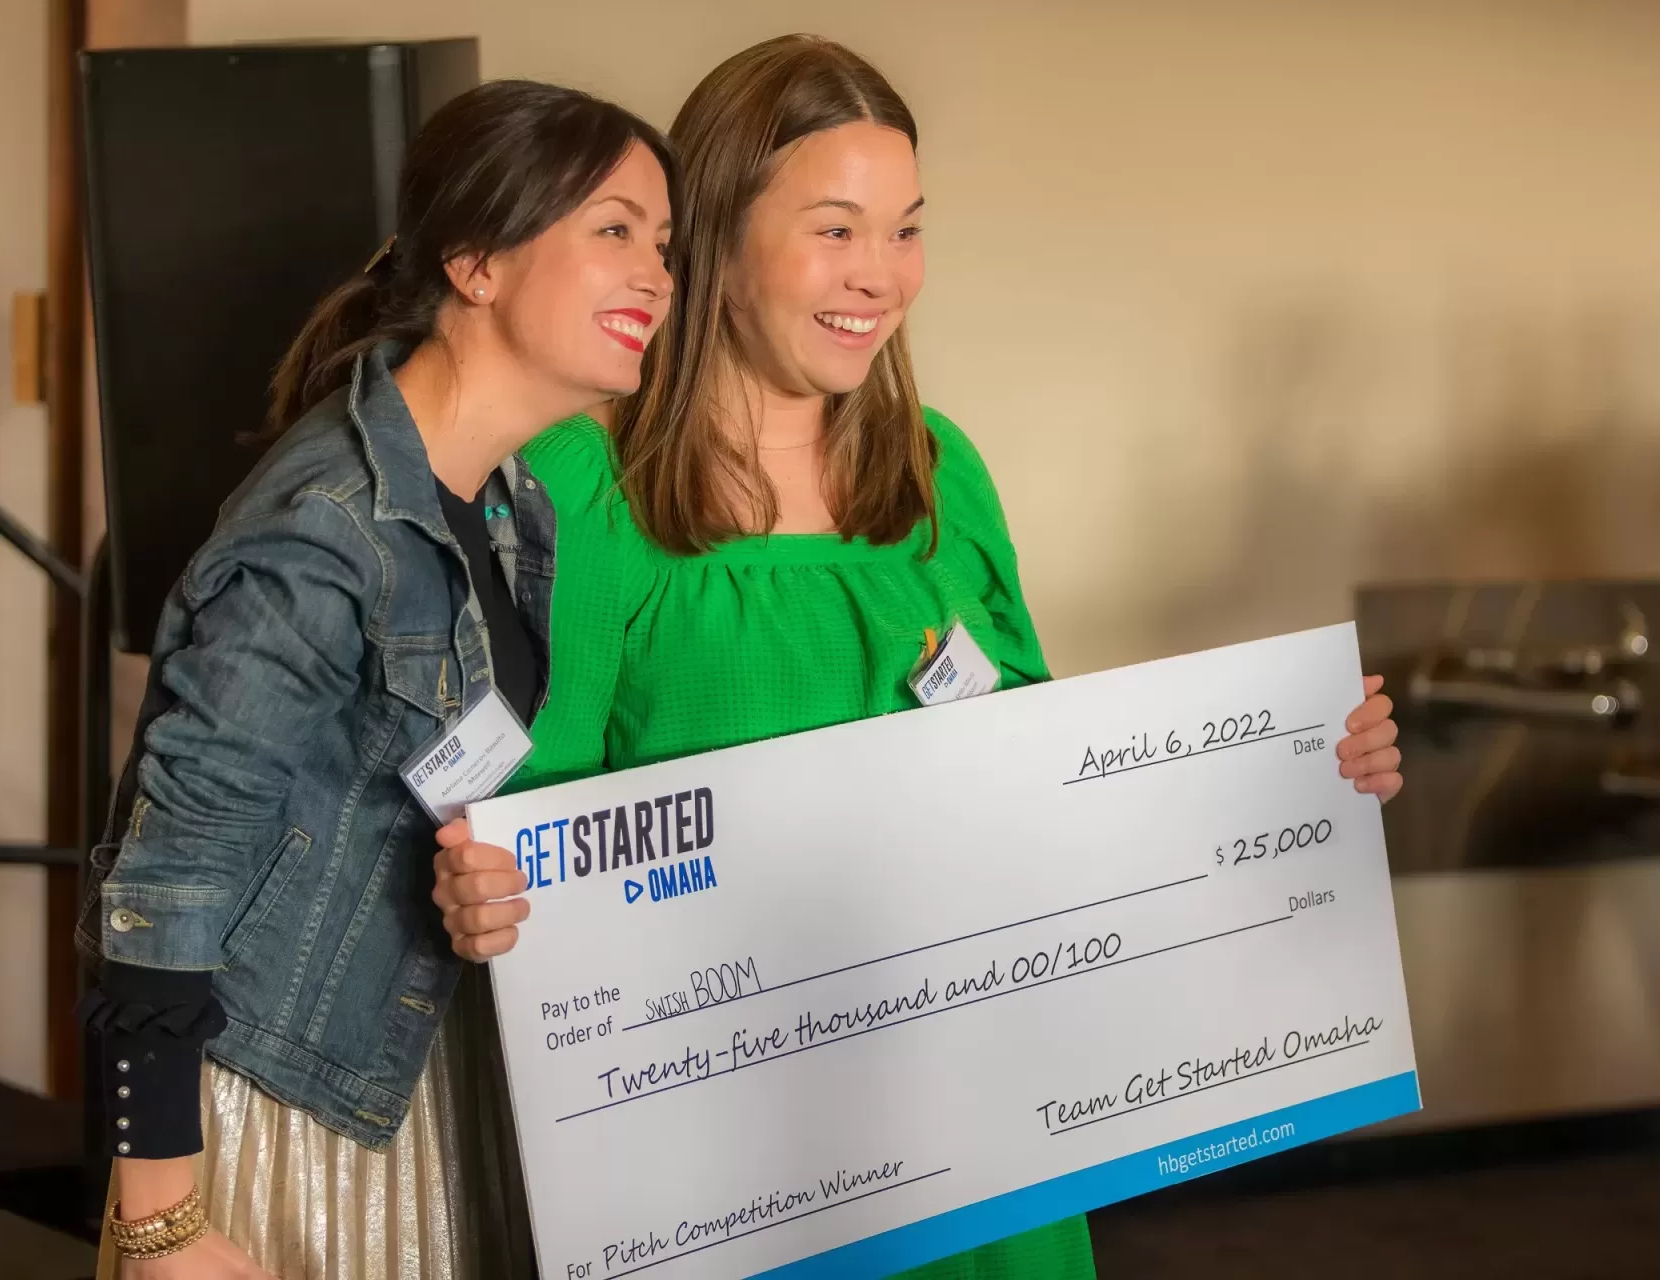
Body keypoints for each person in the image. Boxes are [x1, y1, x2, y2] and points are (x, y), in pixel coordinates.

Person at [434, 33, 1403, 1280]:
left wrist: (1295, 769)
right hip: (731, 1157)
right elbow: (537, 810)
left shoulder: (937, 467)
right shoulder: (586, 485)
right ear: (717, 238)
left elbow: (1051, 767)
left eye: (905, 229)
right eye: (835, 229)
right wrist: (487, 887)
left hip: (979, 1134)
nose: (880, 275)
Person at [75, 79, 674, 1279]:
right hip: (275, 1125)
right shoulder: (320, 530)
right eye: (613, 229)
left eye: (662, 243)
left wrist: (477, 888)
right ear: (477, 262)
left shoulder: (515, 506)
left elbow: (394, 800)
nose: (657, 276)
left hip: (416, 1076)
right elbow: (162, 882)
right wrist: (162, 1224)